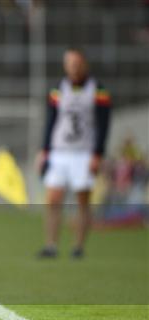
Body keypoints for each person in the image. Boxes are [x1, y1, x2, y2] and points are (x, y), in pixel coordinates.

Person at [36, 48, 111, 259]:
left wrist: (98, 153)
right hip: (59, 151)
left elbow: (104, 124)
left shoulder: (98, 89)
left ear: (84, 63)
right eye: (69, 63)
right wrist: (44, 150)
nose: (73, 67)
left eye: (76, 63)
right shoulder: (58, 88)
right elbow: (51, 121)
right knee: (52, 199)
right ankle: (51, 245)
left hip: (84, 153)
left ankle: (78, 247)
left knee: (82, 200)